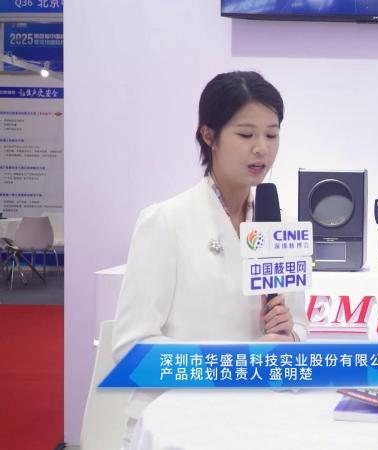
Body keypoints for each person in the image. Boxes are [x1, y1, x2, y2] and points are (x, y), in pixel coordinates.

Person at [111, 71, 309, 447]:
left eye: (272, 135)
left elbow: (298, 323)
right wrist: (241, 359)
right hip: (178, 421)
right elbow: (132, 350)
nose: (262, 149)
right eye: (246, 135)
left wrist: (290, 335)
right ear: (209, 135)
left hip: (260, 419)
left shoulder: (278, 225)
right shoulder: (165, 221)